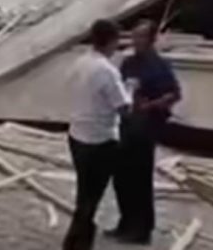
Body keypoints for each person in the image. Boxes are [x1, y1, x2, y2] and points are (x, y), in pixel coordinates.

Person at [108, 19, 181, 245]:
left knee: (139, 177)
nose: (136, 41)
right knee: (121, 176)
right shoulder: (129, 63)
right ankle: (125, 221)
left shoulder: (159, 66)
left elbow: (174, 94)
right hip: (125, 124)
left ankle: (141, 229)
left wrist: (151, 105)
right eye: (134, 36)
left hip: (145, 126)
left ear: (151, 40)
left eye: (140, 37)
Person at [63, 19, 131, 250]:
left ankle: (79, 240)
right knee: (91, 197)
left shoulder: (80, 63)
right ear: (111, 41)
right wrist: (133, 92)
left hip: (77, 134)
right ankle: (76, 242)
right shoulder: (108, 71)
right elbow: (123, 107)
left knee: (84, 193)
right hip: (99, 140)